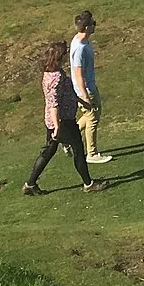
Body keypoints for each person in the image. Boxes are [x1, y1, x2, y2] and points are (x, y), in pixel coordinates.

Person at [23, 40, 108, 194]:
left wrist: (82, 102)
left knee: (49, 150)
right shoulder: (55, 78)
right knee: (78, 149)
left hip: (54, 121)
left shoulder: (51, 73)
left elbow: (67, 93)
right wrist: (57, 126)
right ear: (58, 57)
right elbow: (54, 104)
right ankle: (89, 184)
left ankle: (30, 185)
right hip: (63, 122)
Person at [69, 10, 111, 164]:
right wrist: (85, 95)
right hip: (86, 89)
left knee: (89, 116)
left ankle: (67, 140)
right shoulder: (80, 48)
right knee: (93, 118)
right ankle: (92, 153)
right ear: (86, 28)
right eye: (93, 23)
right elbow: (78, 73)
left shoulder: (79, 40)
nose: (95, 25)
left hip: (86, 87)